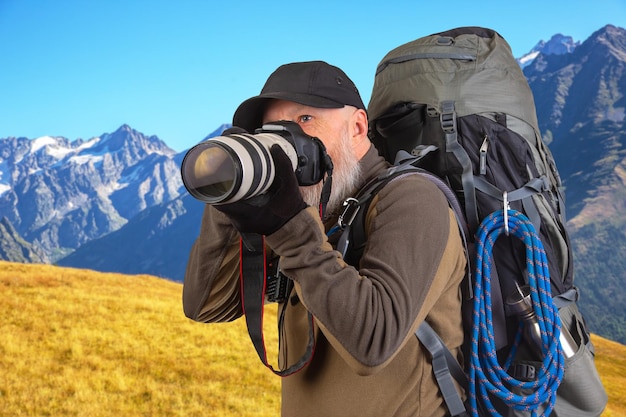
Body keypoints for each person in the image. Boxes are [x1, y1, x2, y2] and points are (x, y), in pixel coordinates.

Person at [183, 61, 467, 417]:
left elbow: (374, 342)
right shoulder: (314, 209)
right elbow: (205, 306)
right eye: (274, 129)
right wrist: (231, 195)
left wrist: (290, 228)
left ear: (358, 128)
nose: (288, 139)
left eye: (304, 120)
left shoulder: (412, 199)